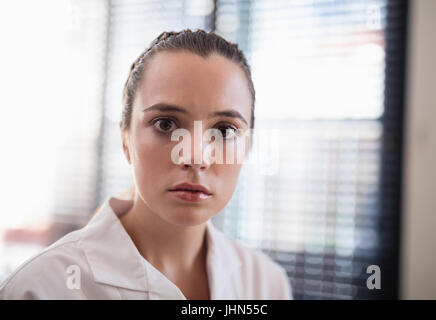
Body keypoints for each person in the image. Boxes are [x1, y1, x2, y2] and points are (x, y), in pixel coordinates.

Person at [0, 29, 293, 300]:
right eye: (165, 124)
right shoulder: (40, 288)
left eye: (224, 131)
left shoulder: (267, 284)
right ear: (125, 139)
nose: (195, 157)